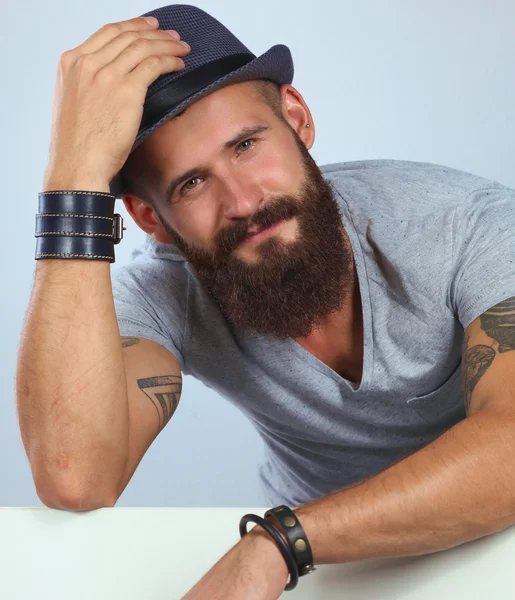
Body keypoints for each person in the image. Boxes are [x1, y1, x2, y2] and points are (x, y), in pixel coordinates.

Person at [16, 4, 515, 597]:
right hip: (325, 574)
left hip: (484, 550)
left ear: (297, 119)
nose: (243, 201)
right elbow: (76, 477)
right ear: (151, 218)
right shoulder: (164, 290)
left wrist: (280, 542)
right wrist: (71, 180)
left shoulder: (465, 226)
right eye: (191, 183)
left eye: (247, 145)